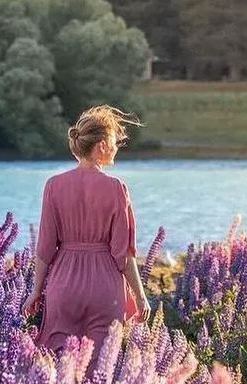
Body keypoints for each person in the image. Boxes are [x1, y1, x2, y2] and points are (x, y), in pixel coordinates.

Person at [22, 105, 151, 368]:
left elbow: (45, 247)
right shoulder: (116, 188)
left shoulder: (54, 185)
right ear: (102, 145)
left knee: (56, 368)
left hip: (63, 284)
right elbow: (123, 254)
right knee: (99, 371)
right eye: (114, 142)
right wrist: (140, 296)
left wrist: (36, 291)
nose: (116, 148)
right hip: (104, 287)